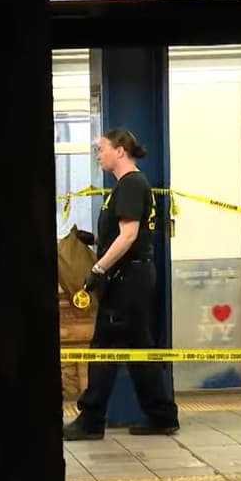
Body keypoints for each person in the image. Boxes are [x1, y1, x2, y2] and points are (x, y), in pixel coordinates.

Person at [63, 128, 181, 440]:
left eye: (101, 148)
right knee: (139, 348)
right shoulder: (129, 186)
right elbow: (125, 233)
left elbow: (129, 236)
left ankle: (91, 419)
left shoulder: (130, 185)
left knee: (104, 347)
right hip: (133, 277)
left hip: (127, 280)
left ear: (119, 151)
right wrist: (95, 241)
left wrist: (98, 269)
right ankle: (161, 415)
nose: (97, 154)